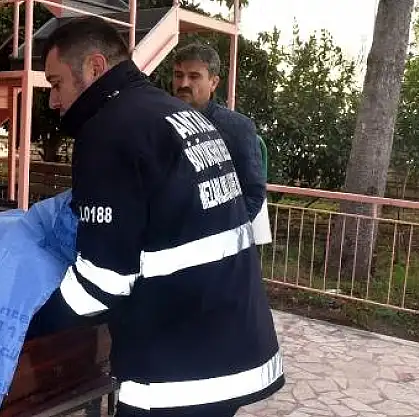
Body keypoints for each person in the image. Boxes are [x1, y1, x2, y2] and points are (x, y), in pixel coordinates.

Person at [35, 17, 285, 417]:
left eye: (56, 83)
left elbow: (101, 282)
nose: (53, 100)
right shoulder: (179, 115)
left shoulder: (109, 131)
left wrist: (29, 326)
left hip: (178, 370)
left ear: (95, 68)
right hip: (236, 346)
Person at [172, 43, 266, 223]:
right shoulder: (159, 121)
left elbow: (253, 192)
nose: (183, 84)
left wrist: (228, 231)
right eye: (178, 75)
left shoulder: (237, 128)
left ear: (213, 82)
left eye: (194, 76)